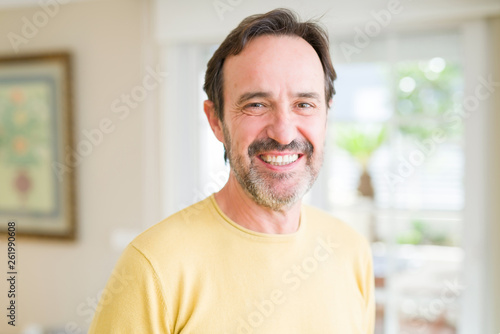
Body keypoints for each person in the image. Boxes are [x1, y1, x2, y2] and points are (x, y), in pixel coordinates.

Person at [89, 8, 375, 333]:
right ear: (216, 121)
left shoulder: (352, 251)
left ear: (326, 115)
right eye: (256, 104)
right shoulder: (152, 267)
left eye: (304, 104)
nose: (284, 133)